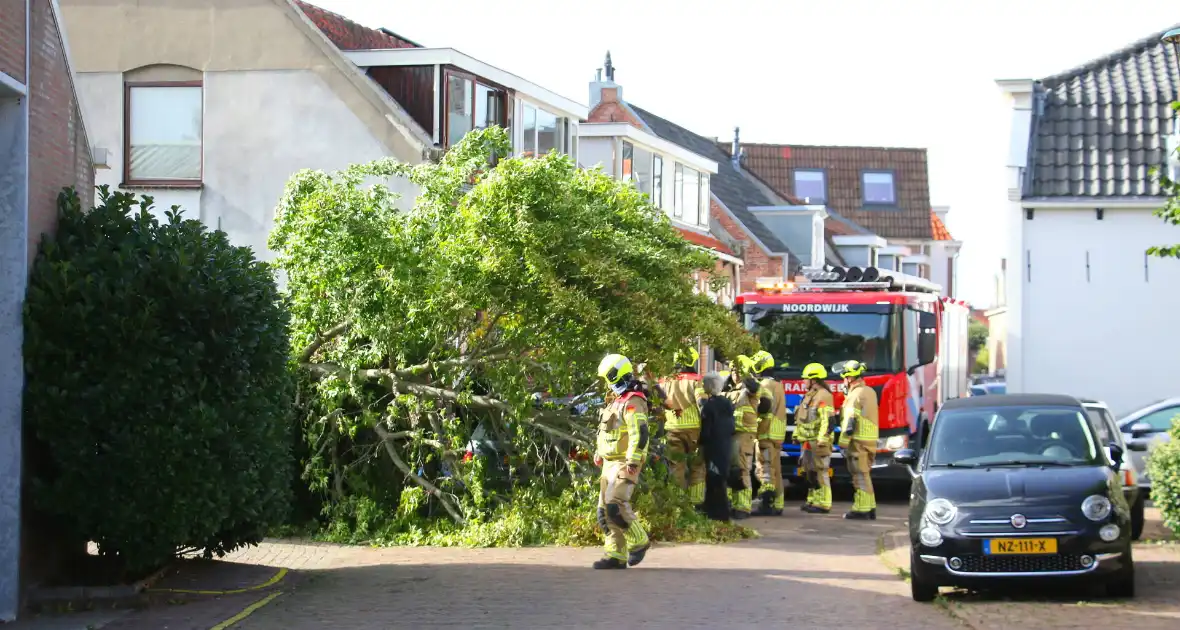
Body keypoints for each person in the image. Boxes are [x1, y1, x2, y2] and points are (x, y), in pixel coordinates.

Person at [593, 353, 653, 569]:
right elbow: (607, 431)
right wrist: (599, 452)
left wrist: (633, 460)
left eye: (607, 379)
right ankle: (615, 554)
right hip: (609, 463)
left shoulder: (633, 401)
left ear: (615, 375)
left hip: (624, 462)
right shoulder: (615, 401)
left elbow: (640, 433)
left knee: (615, 505)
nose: (607, 384)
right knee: (603, 512)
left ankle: (639, 541)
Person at [658, 347, 707, 506]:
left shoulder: (664, 381)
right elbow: (703, 403)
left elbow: (658, 404)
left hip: (672, 429)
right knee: (697, 467)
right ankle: (696, 504)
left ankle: (678, 505)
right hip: (694, 431)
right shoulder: (696, 380)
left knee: (676, 467)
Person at [835, 359, 879, 520]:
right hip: (870, 440)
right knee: (865, 475)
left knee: (859, 476)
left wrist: (842, 443)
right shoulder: (869, 391)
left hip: (858, 441)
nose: (843, 382)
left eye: (844, 378)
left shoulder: (855, 395)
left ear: (850, 378)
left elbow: (849, 423)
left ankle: (862, 509)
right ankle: (870, 506)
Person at [794, 362, 836, 514]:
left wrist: (822, 440)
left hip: (818, 442)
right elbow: (802, 418)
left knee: (821, 471)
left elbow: (828, 420)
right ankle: (812, 500)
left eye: (805, 378)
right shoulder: (809, 395)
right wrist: (796, 435)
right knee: (809, 472)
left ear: (814, 379)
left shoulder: (824, 396)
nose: (803, 381)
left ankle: (823, 503)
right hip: (807, 441)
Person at [750, 350, 788, 516]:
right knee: (775, 470)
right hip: (777, 433)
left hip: (766, 432)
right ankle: (778, 503)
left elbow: (763, 407)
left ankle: (766, 505)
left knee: (764, 469)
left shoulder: (765, 385)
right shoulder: (778, 384)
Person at [724, 355, 761, 520]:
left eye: (738, 371)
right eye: (733, 370)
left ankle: (743, 507)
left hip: (744, 434)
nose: (735, 374)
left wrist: (746, 374)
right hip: (730, 434)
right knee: (730, 470)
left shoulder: (751, 387)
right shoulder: (729, 388)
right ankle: (730, 503)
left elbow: (754, 387)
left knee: (742, 469)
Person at [697, 371, 735, 521]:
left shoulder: (708, 406)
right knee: (721, 478)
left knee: (713, 479)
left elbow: (706, 431)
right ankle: (722, 511)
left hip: (713, 447)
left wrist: (699, 442)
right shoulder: (727, 403)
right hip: (726, 445)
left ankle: (714, 512)